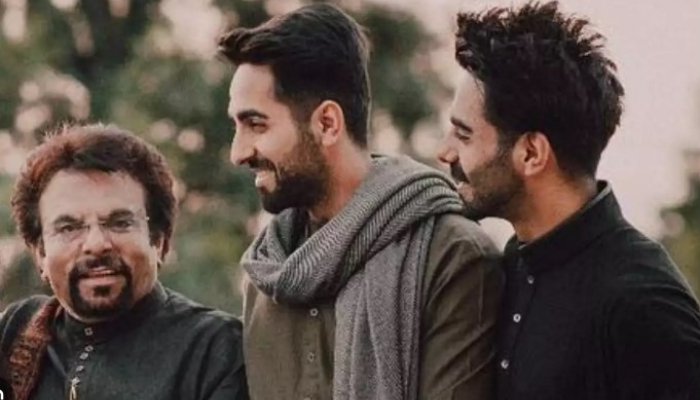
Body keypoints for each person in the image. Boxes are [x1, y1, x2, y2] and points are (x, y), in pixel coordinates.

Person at [217, 3, 502, 400]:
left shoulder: (451, 256)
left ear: (327, 123)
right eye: (237, 126)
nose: (238, 153)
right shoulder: (265, 275)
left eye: (255, 124)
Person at [439, 2, 700, 399]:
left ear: (531, 153)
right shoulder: (511, 264)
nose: (444, 152)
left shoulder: (643, 305)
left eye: (464, 135)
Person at [1, 123, 248, 400]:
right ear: (40, 253)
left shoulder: (213, 347)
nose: (96, 244)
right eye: (69, 228)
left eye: (120, 223)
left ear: (159, 241)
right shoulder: (16, 331)